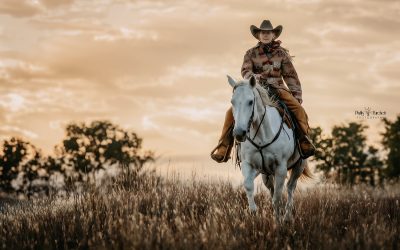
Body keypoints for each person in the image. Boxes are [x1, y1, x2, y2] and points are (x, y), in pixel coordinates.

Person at [211, 20, 316, 163]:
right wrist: (255, 77)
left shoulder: (281, 54)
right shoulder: (250, 53)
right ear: (258, 35)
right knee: (230, 112)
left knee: (298, 109)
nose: (265, 35)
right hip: (257, 89)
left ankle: (304, 141)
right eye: (263, 32)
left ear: (273, 35)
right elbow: (245, 71)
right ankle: (223, 147)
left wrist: (296, 95)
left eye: (268, 32)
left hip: (278, 88)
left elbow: (290, 76)